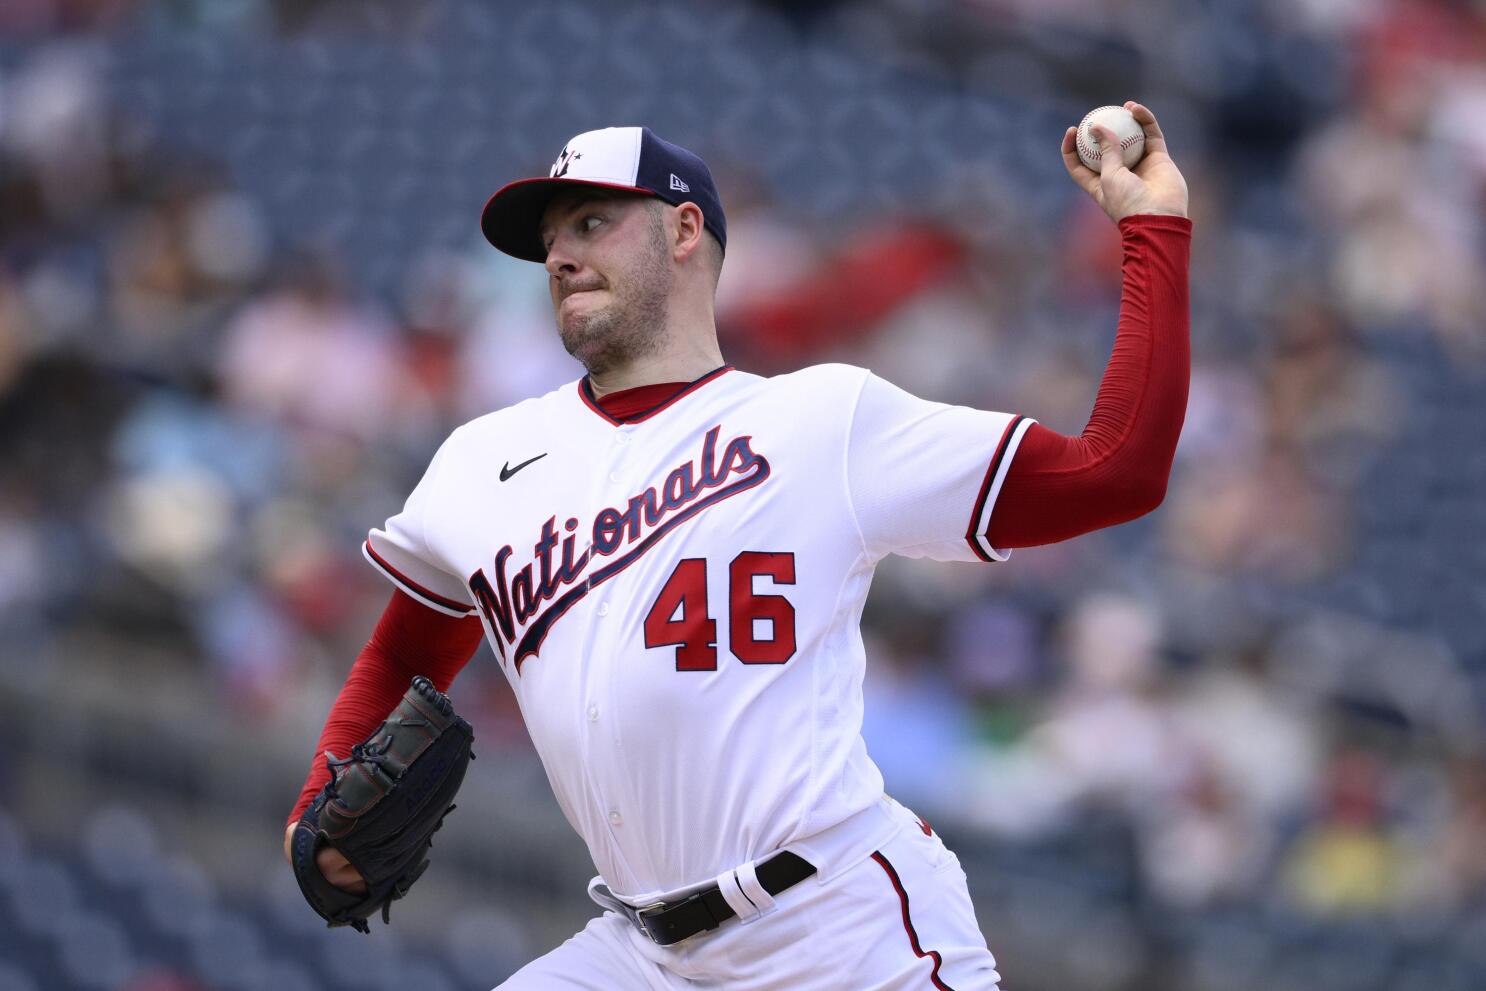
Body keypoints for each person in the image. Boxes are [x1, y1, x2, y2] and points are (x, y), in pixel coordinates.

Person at [285, 104, 1191, 990]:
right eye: (550, 238)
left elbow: (1118, 470)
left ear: (685, 230)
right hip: (640, 951)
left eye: (592, 222)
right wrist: (313, 814)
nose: (560, 254)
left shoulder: (821, 422)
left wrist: (1153, 232)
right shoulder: (481, 462)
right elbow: (410, 648)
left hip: (838, 929)